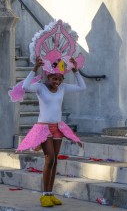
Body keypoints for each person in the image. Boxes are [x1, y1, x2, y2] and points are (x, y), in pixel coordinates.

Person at [18, 55, 86, 207]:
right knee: (49, 159)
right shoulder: (40, 88)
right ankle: (44, 195)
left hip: (57, 128)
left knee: (55, 161)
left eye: (60, 79)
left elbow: (82, 87)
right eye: (54, 79)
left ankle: (50, 193)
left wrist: (75, 71)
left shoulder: (62, 88)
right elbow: (25, 87)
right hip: (43, 128)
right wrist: (35, 68)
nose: (57, 82)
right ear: (48, 76)